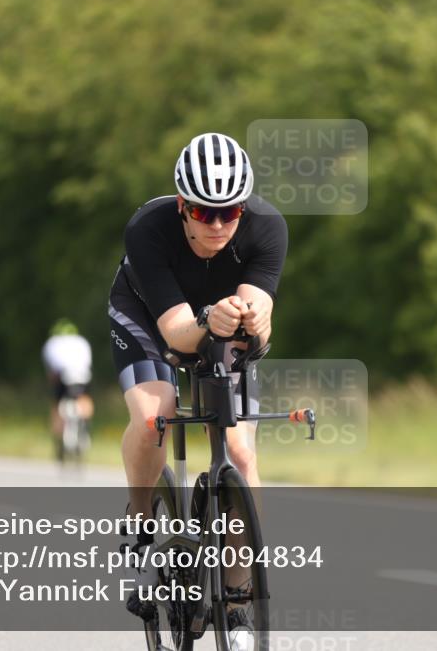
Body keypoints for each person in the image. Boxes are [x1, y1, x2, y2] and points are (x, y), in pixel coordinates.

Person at [108, 132, 288, 636]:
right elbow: (177, 334)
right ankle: (142, 526)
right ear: (183, 205)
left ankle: (236, 596)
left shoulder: (268, 227)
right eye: (203, 212)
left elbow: (260, 310)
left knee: (240, 451)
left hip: (220, 323)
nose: (216, 224)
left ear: (243, 210)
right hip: (150, 315)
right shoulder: (147, 228)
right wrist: (212, 318)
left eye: (229, 213)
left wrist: (256, 320)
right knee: (154, 415)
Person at [41, 318, 94, 449]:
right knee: (85, 399)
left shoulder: (51, 343)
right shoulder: (82, 342)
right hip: (82, 377)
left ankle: (58, 434)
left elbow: (51, 370)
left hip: (63, 377)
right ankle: (86, 425)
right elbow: (88, 363)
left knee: (57, 404)